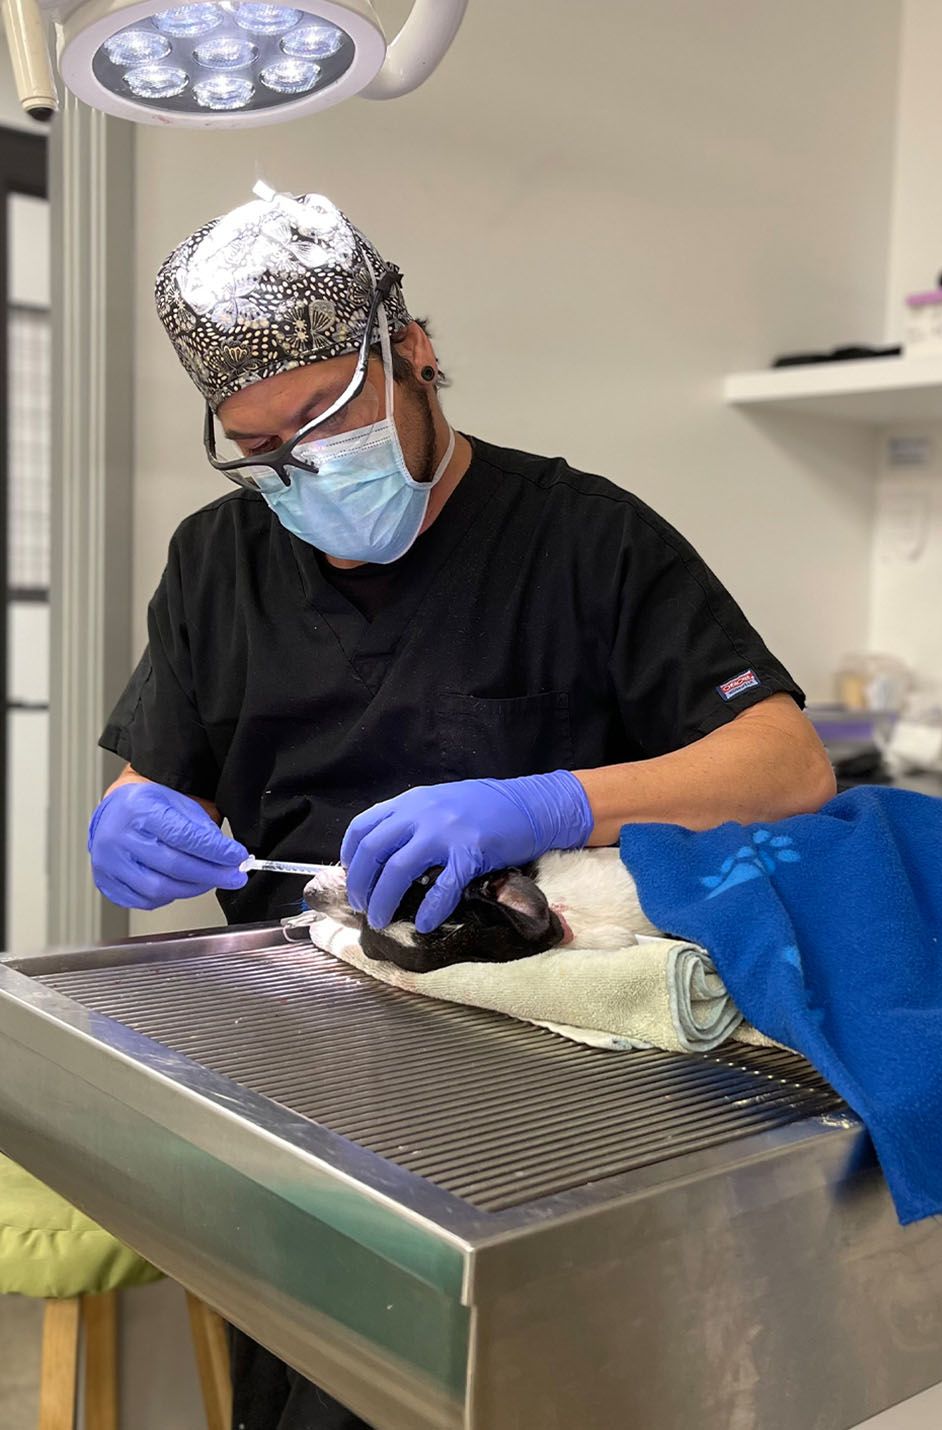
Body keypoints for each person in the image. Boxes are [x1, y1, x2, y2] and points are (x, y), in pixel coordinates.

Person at [88, 185, 835, 1429]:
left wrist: (544, 800)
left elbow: (786, 763)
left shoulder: (588, 540)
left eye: (325, 420)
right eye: (262, 450)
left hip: (553, 1080)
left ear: (415, 354)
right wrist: (132, 815)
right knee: (316, 1386)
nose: (302, 473)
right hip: (302, 1074)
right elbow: (158, 770)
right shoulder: (217, 559)